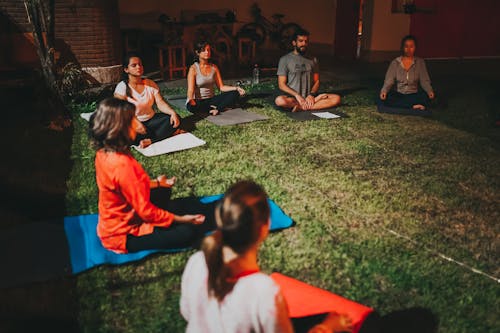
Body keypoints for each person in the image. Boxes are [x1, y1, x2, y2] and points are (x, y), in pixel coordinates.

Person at [180, 180, 352, 333]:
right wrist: (328, 328)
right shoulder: (263, 292)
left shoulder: (197, 262)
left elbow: (187, 312)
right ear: (265, 226)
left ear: (219, 219)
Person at [89, 97, 214, 254]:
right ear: (119, 127)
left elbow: (127, 187)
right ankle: (171, 222)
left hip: (122, 214)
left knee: (165, 191)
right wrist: (183, 219)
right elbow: (146, 211)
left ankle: (166, 214)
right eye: (132, 120)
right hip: (121, 234)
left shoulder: (104, 152)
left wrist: (157, 183)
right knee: (187, 232)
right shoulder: (122, 165)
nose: (137, 124)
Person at [114, 53, 181, 148]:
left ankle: (151, 140)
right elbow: (120, 110)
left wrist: (172, 113)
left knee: (174, 119)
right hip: (133, 123)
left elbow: (160, 103)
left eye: (140, 64)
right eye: (134, 65)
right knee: (122, 135)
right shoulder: (122, 87)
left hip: (151, 120)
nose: (139, 67)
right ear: (126, 69)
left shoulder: (150, 83)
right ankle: (161, 134)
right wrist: (135, 123)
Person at [275, 28, 341, 112]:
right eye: (301, 41)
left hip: (310, 97)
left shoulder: (313, 59)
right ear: (294, 43)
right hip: (294, 98)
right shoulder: (285, 60)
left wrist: (311, 95)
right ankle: (311, 103)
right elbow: (281, 85)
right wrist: (297, 95)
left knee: (336, 98)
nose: (304, 44)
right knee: (280, 101)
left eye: (306, 41)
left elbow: (316, 81)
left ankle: (301, 107)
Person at [186, 41, 245, 116]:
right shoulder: (193, 69)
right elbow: (190, 90)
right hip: (198, 101)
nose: (207, 52)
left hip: (211, 100)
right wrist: (191, 100)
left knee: (234, 94)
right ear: (198, 52)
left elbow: (221, 87)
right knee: (192, 106)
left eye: (208, 50)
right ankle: (214, 108)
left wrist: (236, 88)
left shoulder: (214, 67)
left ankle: (217, 109)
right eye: (204, 50)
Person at [379, 35, 435, 110]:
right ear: (402, 47)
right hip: (399, 94)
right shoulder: (395, 63)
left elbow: (424, 80)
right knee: (386, 98)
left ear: (415, 48)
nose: (409, 49)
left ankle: (405, 105)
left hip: (413, 95)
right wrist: (384, 91)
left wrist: (429, 90)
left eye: (411, 46)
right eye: (406, 46)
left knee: (426, 97)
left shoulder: (419, 62)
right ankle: (413, 106)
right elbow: (389, 80)